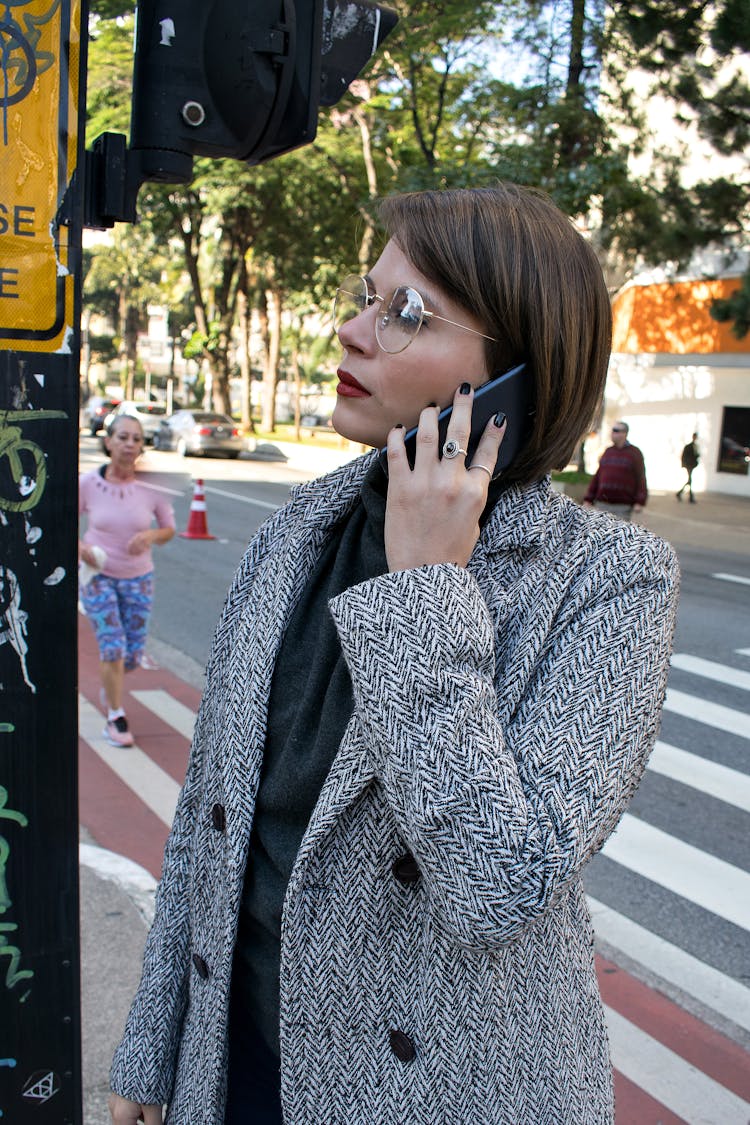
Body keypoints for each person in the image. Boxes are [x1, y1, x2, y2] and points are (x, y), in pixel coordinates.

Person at [108, 185, 679, 1125]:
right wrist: (151, 1043)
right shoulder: (298, 530)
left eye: (406, 312)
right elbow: (214, 822)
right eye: (367, 296)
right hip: (244, 1056)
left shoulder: (609, 580)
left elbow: (500, 884)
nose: (352, 331)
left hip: (434, 1093)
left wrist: (426, 596)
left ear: (517, 376)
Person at [79, 414, 175, 747]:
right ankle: (115, 716)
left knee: (131, 655)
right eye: (123, 437)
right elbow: (63, 524)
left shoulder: (151, 487)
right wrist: (82, 548)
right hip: (98, 577)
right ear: (108, 442)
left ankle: (113, 682)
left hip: (138, 579)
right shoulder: (88, 484)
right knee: (113, 647)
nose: (130, 444)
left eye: (136, 438)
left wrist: (150, 535)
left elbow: (168, 529)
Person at [582, 420, 648, 520]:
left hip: (622, 507)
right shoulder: (608, 451)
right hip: (602, 504)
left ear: (624, 433)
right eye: (613, 430)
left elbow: (641, 478)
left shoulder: (635, 453)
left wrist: (640, 501)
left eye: (616, 430)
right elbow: (598, 476)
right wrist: (588, 499)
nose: (612, 433)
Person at [677, 432, 699, 502]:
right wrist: (684, 465)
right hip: (689, 465)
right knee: (690, 480)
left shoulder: (695, 446)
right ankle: (690, 497)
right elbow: (684, 456)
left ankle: (681, 493)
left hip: (691, 465)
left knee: (689, 481)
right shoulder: (688, 446)